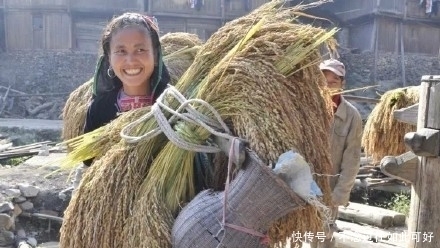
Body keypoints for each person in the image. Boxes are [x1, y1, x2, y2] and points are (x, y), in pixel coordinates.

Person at [71, 13, 213, 192]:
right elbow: (89, 160)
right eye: (121, 51)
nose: (131, 60)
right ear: (108, 58)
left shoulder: (175, 105)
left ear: (155, 54)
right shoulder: (100, 108)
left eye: (140, 50)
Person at [309, 59, 362, 248]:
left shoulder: (351, 116)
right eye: (323, 81)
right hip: (302, 184)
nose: (327, 86)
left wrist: (339, 194)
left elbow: (352, 160)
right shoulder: (307, 110)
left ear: (342, 84)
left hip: (328, 190)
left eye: (333, 82)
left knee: (323, 238)